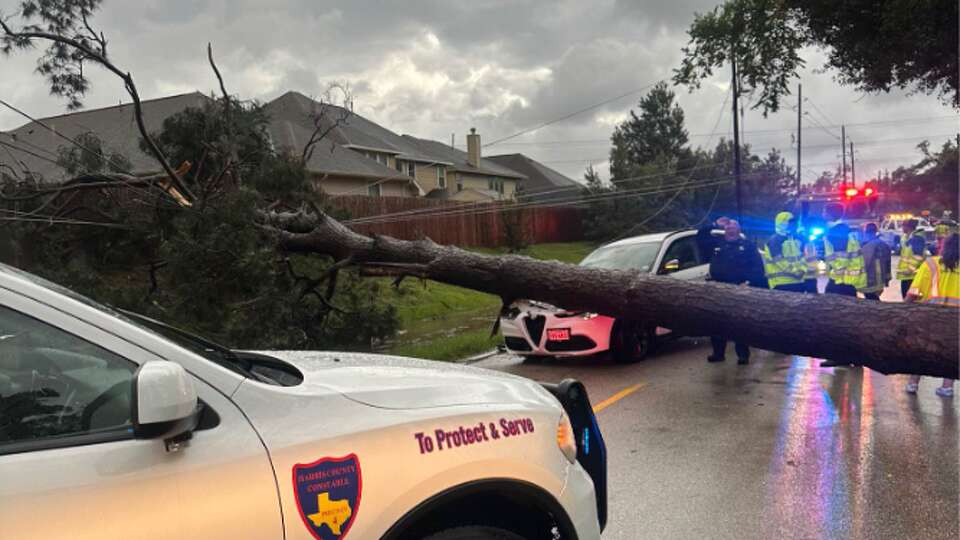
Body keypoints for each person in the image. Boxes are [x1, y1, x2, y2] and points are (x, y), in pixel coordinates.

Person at [701, 218, 766, 365]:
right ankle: (718, 353)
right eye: (728, 226)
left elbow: (757, 268)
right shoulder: (717, 244)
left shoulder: (747, 245)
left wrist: (748, 282)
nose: (730, 228)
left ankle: (743, 355)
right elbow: (700, 237)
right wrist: (714, 224)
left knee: (738, 323)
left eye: (733, 226)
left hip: (739, 288)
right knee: (717, 322)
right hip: (718, 288)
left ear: (739, 229)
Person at [904, 233, 960, 397]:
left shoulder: (930, 264)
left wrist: (902, 308)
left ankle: (913, 384)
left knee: (923, 350)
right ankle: (947, 387)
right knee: (952, 352)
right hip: (956, 317)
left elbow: (915, 291)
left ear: (944, 246)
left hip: (930, 314)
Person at [822, 204, 865, 297]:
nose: (823, 214)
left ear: (830, 214)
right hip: (848, 279)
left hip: (840, 280)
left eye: (824, 211)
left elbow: (841, 256)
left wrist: (838, 275)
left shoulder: (836, 231)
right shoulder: (845, 229)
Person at [762, 211, 806, 293]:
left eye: (794, 222)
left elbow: (804, 256)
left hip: (797, 281)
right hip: (781, 283)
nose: (794, 225)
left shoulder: (795, 239)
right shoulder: (775, 240)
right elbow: (778, 260)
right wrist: (796, 272)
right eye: (790, 222)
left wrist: (802, 270)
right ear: (783, 224)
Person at [858, 223, 891, 300]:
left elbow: (864, 263)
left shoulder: (865, 245)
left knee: (871, 298)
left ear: (865, 231)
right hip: (880, 280)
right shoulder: (883, 244)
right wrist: (887, 279)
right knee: (873, 298)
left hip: (869, 279)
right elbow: (887, 263)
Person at [896, 218, 927, 300]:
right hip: (907, 276)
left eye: (902, 226)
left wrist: (910, 270)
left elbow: (918, 256)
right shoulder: (908, 237)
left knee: (910, 300)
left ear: (908, 227)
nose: (902, 228)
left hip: (912, 276)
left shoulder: (917, 239)